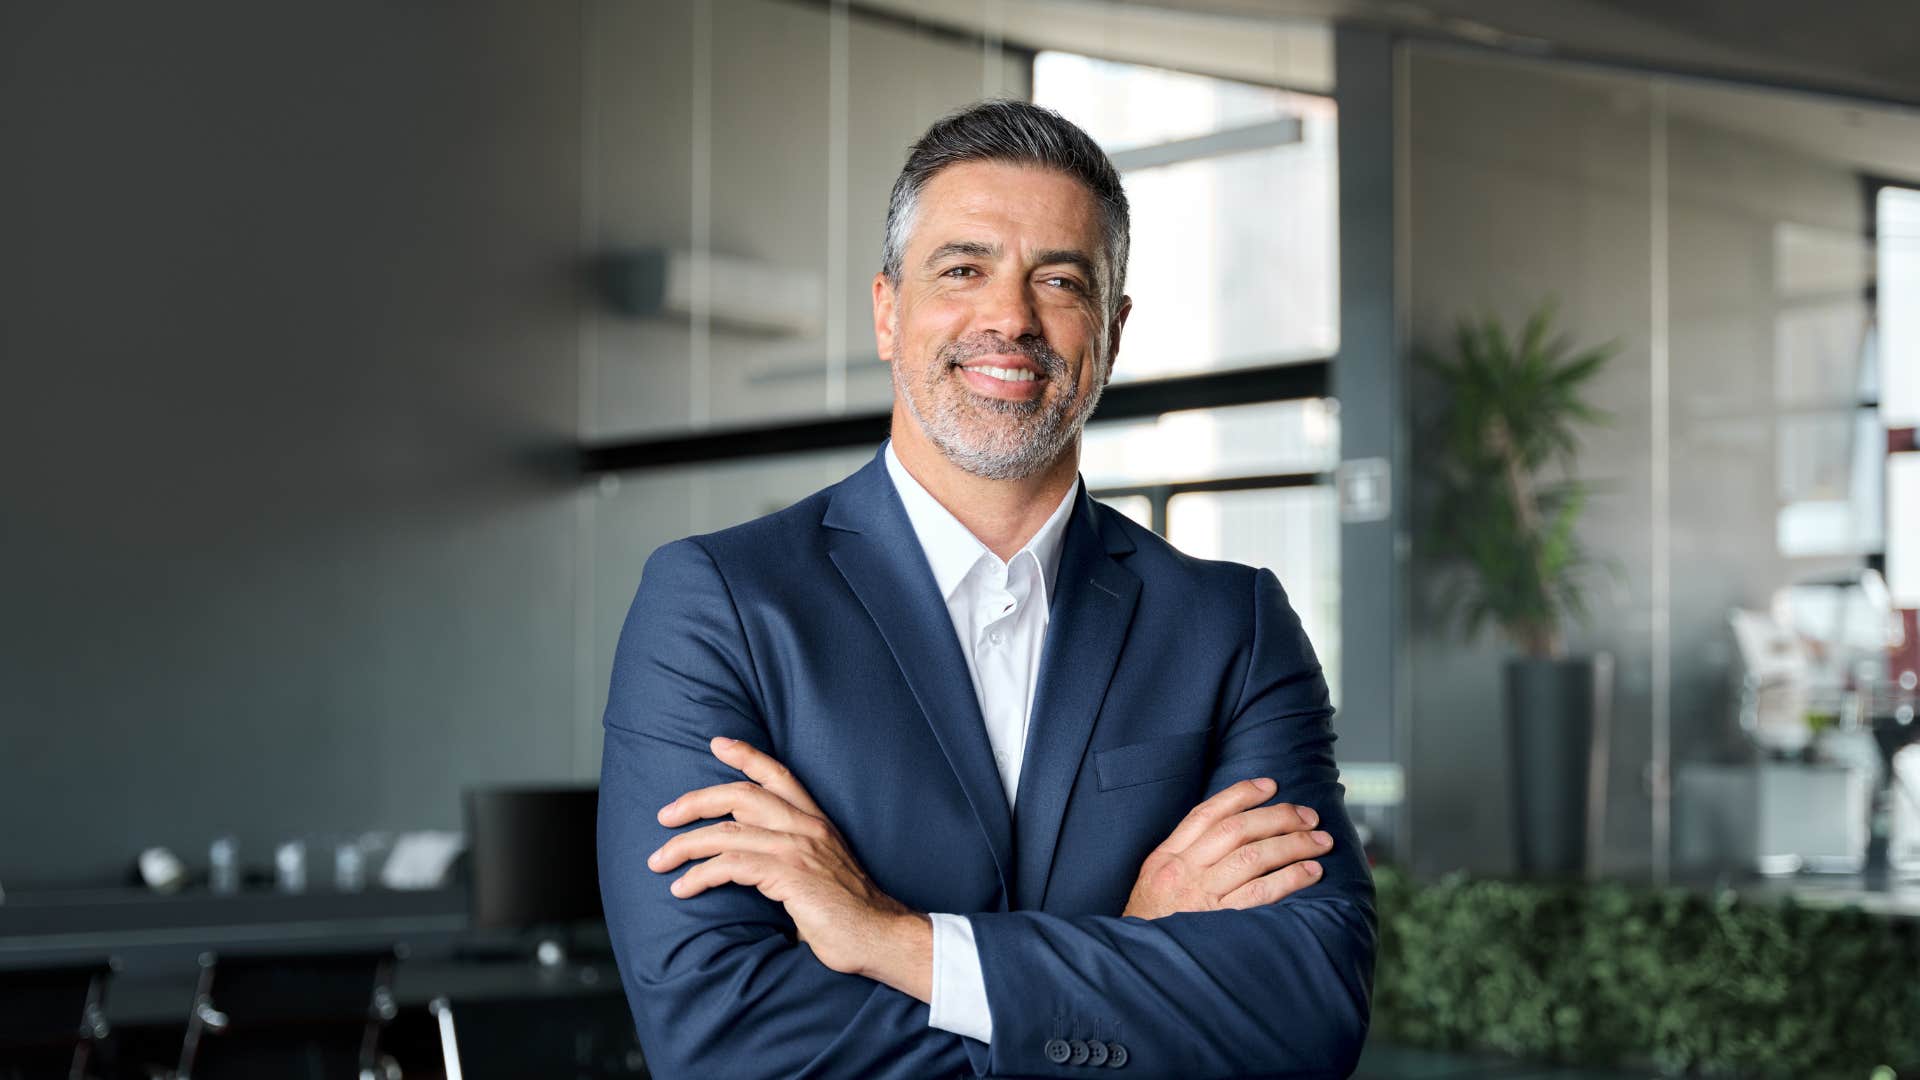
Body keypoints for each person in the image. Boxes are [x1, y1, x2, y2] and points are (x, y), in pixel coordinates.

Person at [598, 99, 1374, 1079]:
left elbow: (1311, 1010)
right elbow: (721, 1043)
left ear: (1112, 332)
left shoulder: (1232, 627)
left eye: (1060, 281)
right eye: (963, 270)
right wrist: (1133, 949)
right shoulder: (719, 607)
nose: (1010, 318)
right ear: (889, 311)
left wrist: (891, 941)